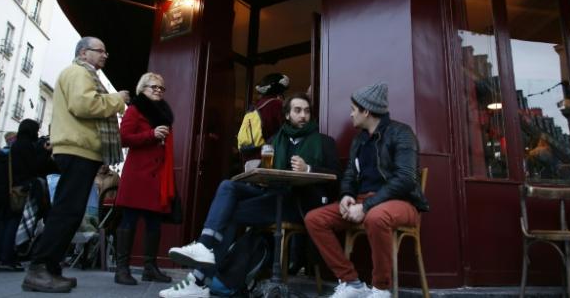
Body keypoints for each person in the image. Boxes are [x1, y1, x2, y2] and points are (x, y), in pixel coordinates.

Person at [160, 92, 341, 298]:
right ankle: (204, 248)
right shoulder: (274, 140)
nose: (303, 115)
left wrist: (309, 168)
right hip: (272, 195)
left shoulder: (323, 142)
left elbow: (337, 175)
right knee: (228, 186)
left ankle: (198, 279)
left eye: (306, 111)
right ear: (288, 115)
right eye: (297, 111)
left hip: (298, 204)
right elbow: (266, 173)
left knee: (230, 213)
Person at [21, 37, 130, 293]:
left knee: (69, 210)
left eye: (106, 51)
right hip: (77, 150)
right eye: (99, 51)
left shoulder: (81, 74)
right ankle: (40, 268)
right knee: (67, 211)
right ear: (83, 53)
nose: (105, 55)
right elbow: (83, 104)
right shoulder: (78, 73)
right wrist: (117, 99)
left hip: (80, 150)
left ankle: (50, 269)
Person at [304, 82, 430, 298]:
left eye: (354, 109)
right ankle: (351, 283)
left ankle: (381, 289)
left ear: (367, 110)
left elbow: (406, 179)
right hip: (363, 202)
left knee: (375, 217)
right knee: (314, 219)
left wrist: (367, 206)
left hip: (401, 202)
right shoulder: (359, 140)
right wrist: (346, 196)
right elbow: (351, 176)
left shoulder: (401, 133)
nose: (351, 114)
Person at [0, 119, 55, 271]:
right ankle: (6, 258)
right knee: (12, 224)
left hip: (4, 191)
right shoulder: (26, 146)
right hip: (18, 191)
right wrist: (45, 153)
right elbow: (34, 167)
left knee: (3, 225)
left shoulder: (14, 146)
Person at [113, 72, 175, 285]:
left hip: (157, 176)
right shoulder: (134, 109)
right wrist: (151, 134)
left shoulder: (165, 113)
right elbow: (122, 138)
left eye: (161, 87)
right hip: (138, 175)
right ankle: (122, 269)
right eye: (153, 86)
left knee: (154, 223)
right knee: (129, 220)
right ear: (142, 89)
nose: (158, 90)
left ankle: (150, 268)